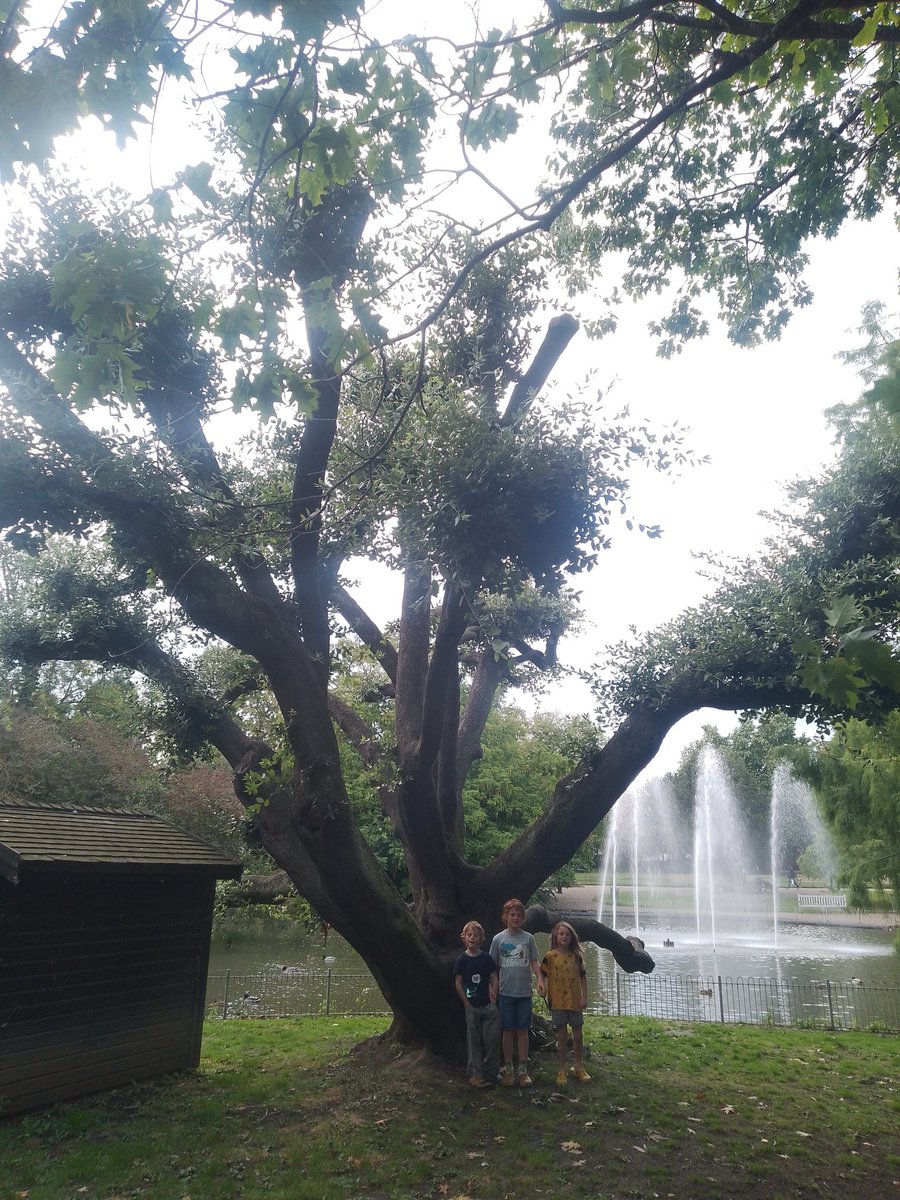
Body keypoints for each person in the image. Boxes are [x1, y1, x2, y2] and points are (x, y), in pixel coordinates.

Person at [489, 898, 541, 1087]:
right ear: (506, 917)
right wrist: (492, 987)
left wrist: (541, 979)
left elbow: (534, 961)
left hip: (524, 993)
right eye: (512, 915)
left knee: (522, 1031)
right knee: (508, 1030)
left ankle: (523, 1069)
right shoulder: (498, 939)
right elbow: (491, 966)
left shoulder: (528, 938)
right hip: (505, 993)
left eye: (519, 915)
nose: (516, 918)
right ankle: (508, 1068)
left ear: (523, 917)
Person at [539, 920, 591, 1085]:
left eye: (567, 934)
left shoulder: (576, 957)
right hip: (558, 1002)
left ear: (572, 937)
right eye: (561, 933)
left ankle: (578, 1066)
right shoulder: (550, 956)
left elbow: (583, 976)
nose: (564, 936)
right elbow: (541, 975)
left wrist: (585, 996)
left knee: (578, 1035)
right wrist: (542, 987)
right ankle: (562, 1070)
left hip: (575, 1001)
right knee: (561, 1037)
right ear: (555, 936)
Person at [453, 920, 501, 1088]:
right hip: (471, 1007)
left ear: (481, 938)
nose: (472, 938)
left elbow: (494, 976)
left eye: (475, 935)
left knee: (492, 1040)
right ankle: (476, 1074)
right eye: (469, 935)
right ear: (464, 938)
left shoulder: (486, 958)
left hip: (488, 1005)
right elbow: (458, 982)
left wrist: (494, 995)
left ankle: (491, 1072)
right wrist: (466, 1003)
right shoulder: (461, 960)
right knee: (473, 1042)